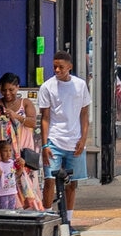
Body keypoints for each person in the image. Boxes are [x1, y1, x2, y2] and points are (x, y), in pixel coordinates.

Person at [38, 53, 92, 224]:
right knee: (49, 180)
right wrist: (45, 144)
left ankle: (67, 221)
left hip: (74, 140)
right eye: (54, 66)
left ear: (70, 66)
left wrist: (84, 139)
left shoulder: (80, 85)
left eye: (61, 66)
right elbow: (45, 118)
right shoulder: (47, 87)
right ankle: (47, 219)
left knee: (72, 183)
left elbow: (84, 113)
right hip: (54, 139)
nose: (57, 70)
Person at [0, 72, 42, 211]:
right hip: (5, 151)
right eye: (4, 90)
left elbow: (32, 122)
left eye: (11, 89)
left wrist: (16, 116)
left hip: (23, 150)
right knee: (6, 181)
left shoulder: (25, 103)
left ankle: (28, 210)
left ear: (18, 88)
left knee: (26, 181)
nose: (7, 93)